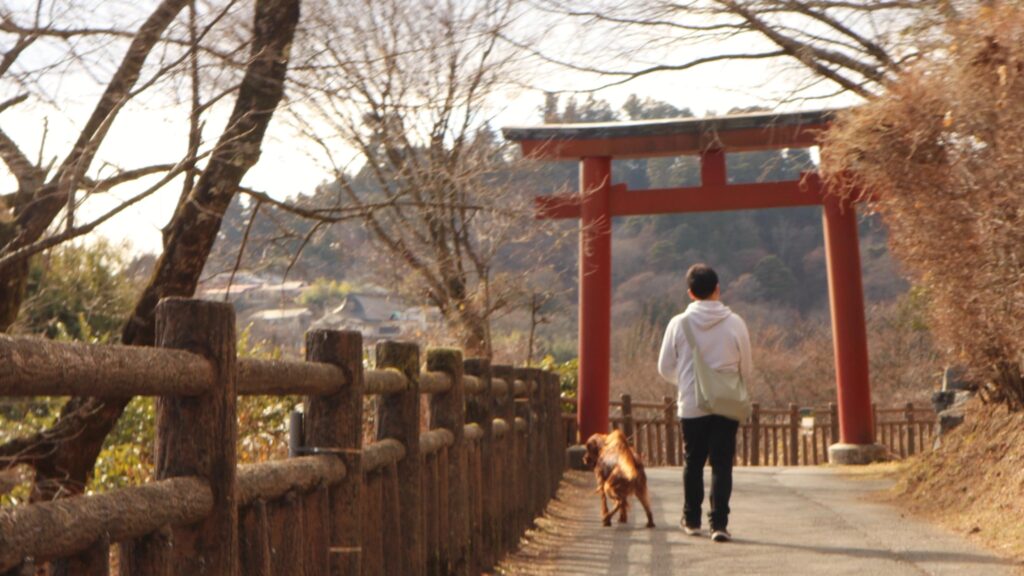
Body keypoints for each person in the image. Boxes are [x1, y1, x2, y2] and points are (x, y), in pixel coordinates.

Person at [657, 264, 752, 542]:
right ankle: (719, 524)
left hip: (691, 404)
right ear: (717, 289)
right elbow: (745, 368)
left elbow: (664, 367)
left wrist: (686, 383)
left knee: (693, 461)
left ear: (690, 293)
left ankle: (691, 519)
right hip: (726, 402)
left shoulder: (678, 324)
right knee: (722, 464)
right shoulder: (735, 323)